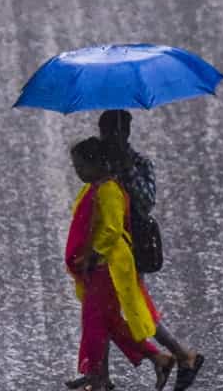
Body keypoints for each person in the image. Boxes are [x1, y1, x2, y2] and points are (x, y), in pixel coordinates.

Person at [97, 112, 206, 391]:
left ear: (126, 133)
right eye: (105, 131)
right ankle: (180, 356)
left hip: (131, 247)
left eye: (113, 131)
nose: (108, 137)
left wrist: (125, 169)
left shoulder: (139, 163)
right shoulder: (100, 162)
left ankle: (179, 355)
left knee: (131, 308)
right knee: (106, 308)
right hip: (107, 243)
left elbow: (146, 202)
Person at [65, 137, 176, 391]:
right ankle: (107, 373)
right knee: (107, 323)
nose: (78, 172)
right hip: (98, 267)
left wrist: (92, 254)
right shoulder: (96, 188)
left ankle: (103, 374)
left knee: (97, 323)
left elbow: (112, 229)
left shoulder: (109, 191)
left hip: (107, 268)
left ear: (97, 164)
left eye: (81, 166)